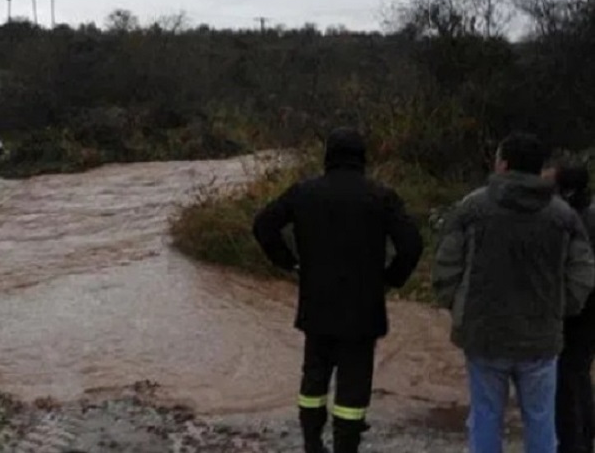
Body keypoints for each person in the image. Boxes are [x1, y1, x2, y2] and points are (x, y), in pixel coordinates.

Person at [252, 127, 423, 453]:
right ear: (362, 159)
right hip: (363, 308)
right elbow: (412, 244)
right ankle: (347, 446)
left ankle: (312, 443)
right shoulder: (381, 195)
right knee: (354, 387)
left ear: (327, 156)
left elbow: (263, 225)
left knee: (313, 380)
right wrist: (390, 278)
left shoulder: (304, 192)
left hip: (316, 303)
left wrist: (288, 263)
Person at [433, 132, 595, 453]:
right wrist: (563, 307)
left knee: (485, 417)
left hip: (484, 333)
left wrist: (457, 304)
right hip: (541, 336)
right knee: (540, 419)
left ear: (503, 164)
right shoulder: (562, 215)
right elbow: (583, 271)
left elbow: (446, 265)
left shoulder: (473, 208)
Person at [553, 164, 595, 453]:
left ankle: (573, 444)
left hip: (576, 311)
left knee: (568, 381)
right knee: (580, 376)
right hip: (590, 311)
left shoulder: (570, 221)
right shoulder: (589, 214)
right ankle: (586, 435)